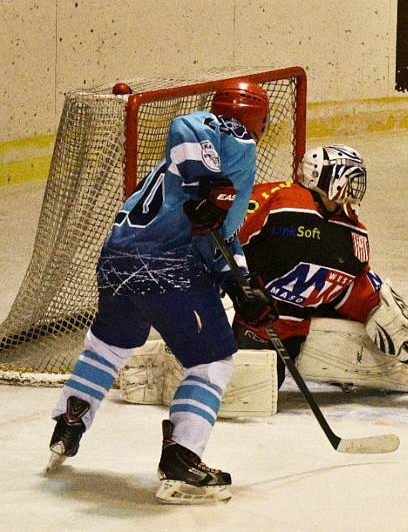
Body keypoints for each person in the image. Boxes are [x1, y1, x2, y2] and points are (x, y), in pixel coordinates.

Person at [46, 79, 275, 504]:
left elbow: (220, 235)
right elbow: (185, 124)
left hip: (115, 261)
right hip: (166, 268)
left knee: (107, 347)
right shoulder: (231, 143)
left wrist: (240, 286)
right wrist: (207, 181)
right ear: (258, 120)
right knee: (212, 359)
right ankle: (182, 459)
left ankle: (70, 421)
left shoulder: (174, 172)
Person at [232, 144, 408, 393]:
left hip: (298, 333)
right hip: (252, 325)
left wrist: (380, 309)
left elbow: (348, 289)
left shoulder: (351, 232)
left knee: (380, 321)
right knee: (249, 390)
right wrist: (237, 285)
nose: (356, 187)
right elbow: (224, 239)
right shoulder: (281, 201)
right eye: (350, 176)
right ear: (325, 175)